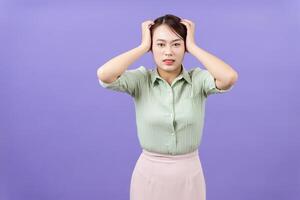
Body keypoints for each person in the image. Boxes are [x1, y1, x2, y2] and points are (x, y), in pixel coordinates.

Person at [97, 14, 238, 200]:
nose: (168, 52)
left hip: (189, 176)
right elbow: (104, 74)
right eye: (160, 44)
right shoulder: (141, 80)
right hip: (149, 176)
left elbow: (228, 78)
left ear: (185, 47)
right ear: (152, 47)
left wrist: (194, 47)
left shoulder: (198, 80)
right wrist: (142, 47)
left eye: (176, 44)